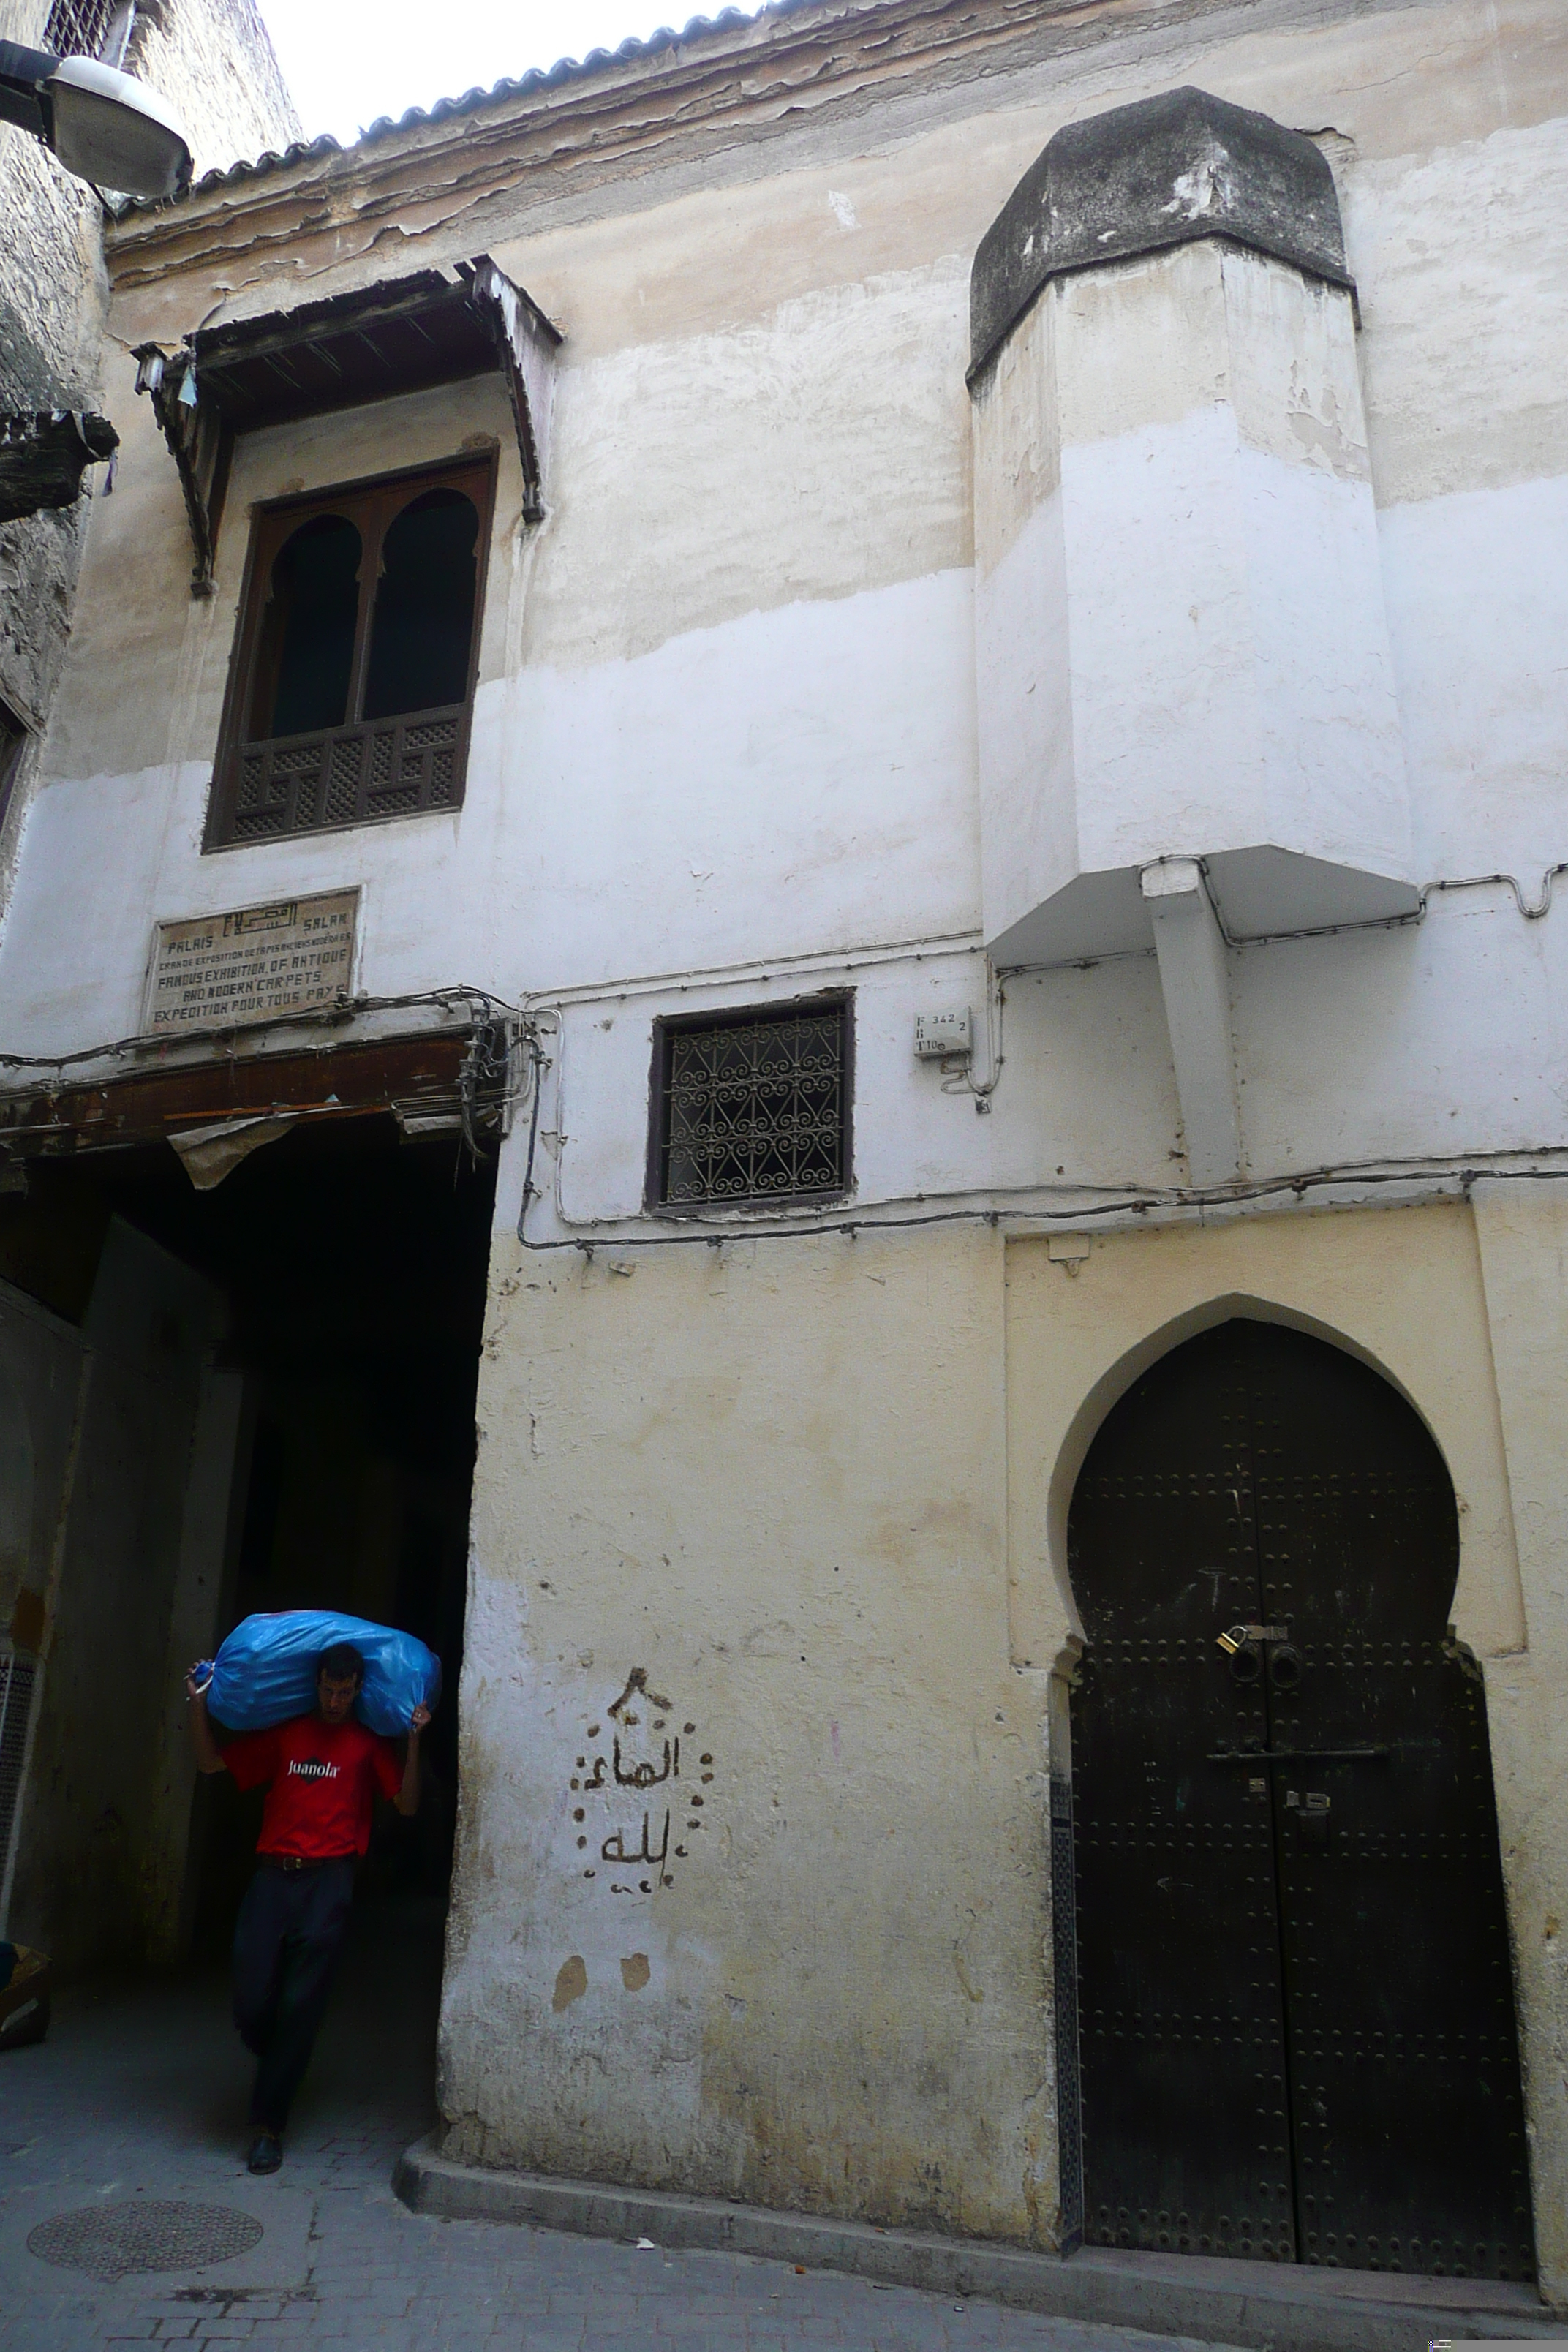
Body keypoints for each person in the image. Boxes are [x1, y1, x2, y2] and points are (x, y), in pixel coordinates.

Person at [186, 1642, 430, 2174]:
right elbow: (209, 1764)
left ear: (358, 1690)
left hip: (330, 1884)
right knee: (253, 2003)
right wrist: (198, 1702)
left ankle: (267, 2128)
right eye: (328, 1689)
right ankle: (278, 2055)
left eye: (345, 1692)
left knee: (301, 2006)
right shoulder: (286, 1733)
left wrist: (412, 1741)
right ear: (315, 1684)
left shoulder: (366, 1745)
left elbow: (407, 1805)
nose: (336, 1700)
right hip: (272, 1878)